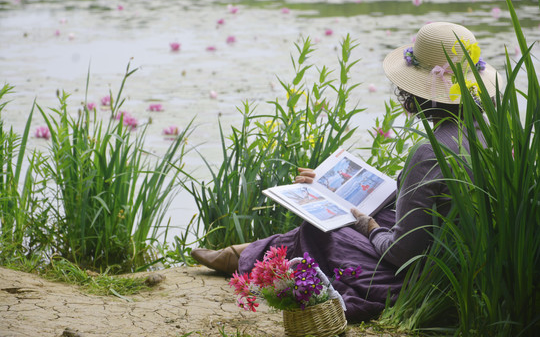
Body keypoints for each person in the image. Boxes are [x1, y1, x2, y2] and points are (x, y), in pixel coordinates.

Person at [191, 22, 500, 321]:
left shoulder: (429, 151)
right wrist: (336, 187)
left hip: (427, 276)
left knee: (323, 229)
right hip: (473, 264)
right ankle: (250, 252)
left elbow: (403, 252)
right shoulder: (492, 133)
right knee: (360, 213)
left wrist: (370, 228)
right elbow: (432, 203)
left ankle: (248, 256)